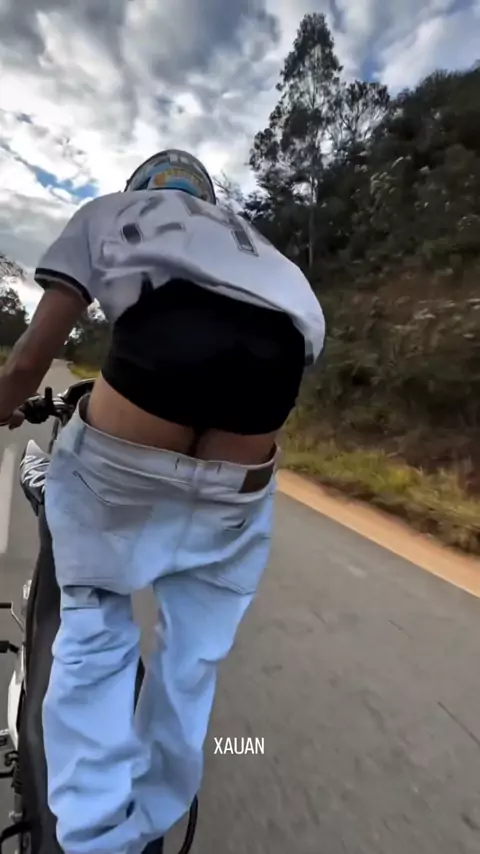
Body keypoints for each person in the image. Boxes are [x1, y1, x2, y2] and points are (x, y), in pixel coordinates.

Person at [0, 149, 325, 854]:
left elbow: (28, 361)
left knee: (94, 612)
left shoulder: (113, 212)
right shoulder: (263, 251)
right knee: (194, 653)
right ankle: (148, 822)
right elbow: (289, 351)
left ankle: (90, 837)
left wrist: (4, 403)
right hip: (253, 425)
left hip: (146, 394)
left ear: (142, 188)